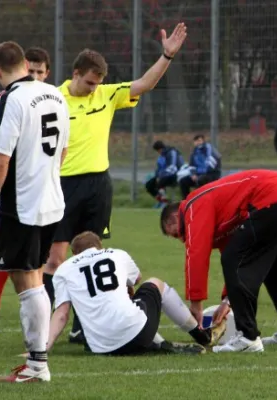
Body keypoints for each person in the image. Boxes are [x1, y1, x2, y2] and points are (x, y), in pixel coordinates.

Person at [42, 23, 188, 344]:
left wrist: (166, 55)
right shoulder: (53, 98)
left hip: (97, 186)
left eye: (99, 83)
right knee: (55, 258)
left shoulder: (107, 95)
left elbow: (145, 84)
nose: (95, 88)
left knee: (94, 255)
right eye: (91, 82)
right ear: (76, 73)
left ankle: (84, 323)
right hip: (62, 186)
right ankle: (51, 318)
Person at [0, 41, 69, 382]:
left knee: (25, 280)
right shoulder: (54, 94)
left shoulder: (11, 99)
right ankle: (37, 363)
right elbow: (63, 150)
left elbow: (0, 160)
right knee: (35, 276)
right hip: (53, 199)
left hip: (23, 205)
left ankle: (37, 365)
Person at [159, 169, 277, 353]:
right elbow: (232, 247)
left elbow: (197, 253)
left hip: (273, 197)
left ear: (176, 217)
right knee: (274, 271)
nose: (182, 239)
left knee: (234, 259)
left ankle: (248, 337)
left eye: (177, 233)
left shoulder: (193, 205)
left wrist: (196, 303)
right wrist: (226, 301)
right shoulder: (218, 214)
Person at [0, 46, 52, 319]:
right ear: (26, 67)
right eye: (34, 71)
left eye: (42, 72)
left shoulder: (50, 98)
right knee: (18, 260)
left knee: (41, 264)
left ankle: (43, 333)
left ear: (47, 73)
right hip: (23, 192)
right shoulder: (11, 98)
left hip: (45, 191)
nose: (37, 76)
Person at [47, 231, 226, 355]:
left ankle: (158, 343)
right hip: (137, 335)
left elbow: (61, 314)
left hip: (98, 347)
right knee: (154, 283)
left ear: (73, 253)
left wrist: (42, 349)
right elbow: (137, 278)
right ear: (100, 247)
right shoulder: (116, 253)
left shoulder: (64, 269)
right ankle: (202, 335)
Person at [179, 134, 222, 199]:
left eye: (199, 140)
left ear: (203, 141)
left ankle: (199, 200)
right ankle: (187, 201)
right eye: (196, 141)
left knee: (200, 180)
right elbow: (191, 166)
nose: (198, 142)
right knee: (183, 181)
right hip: (199, 175)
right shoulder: (194, 152)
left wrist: (198, 175)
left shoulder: (209, 149)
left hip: (211, 174)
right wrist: (193, 174)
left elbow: (211, 165)